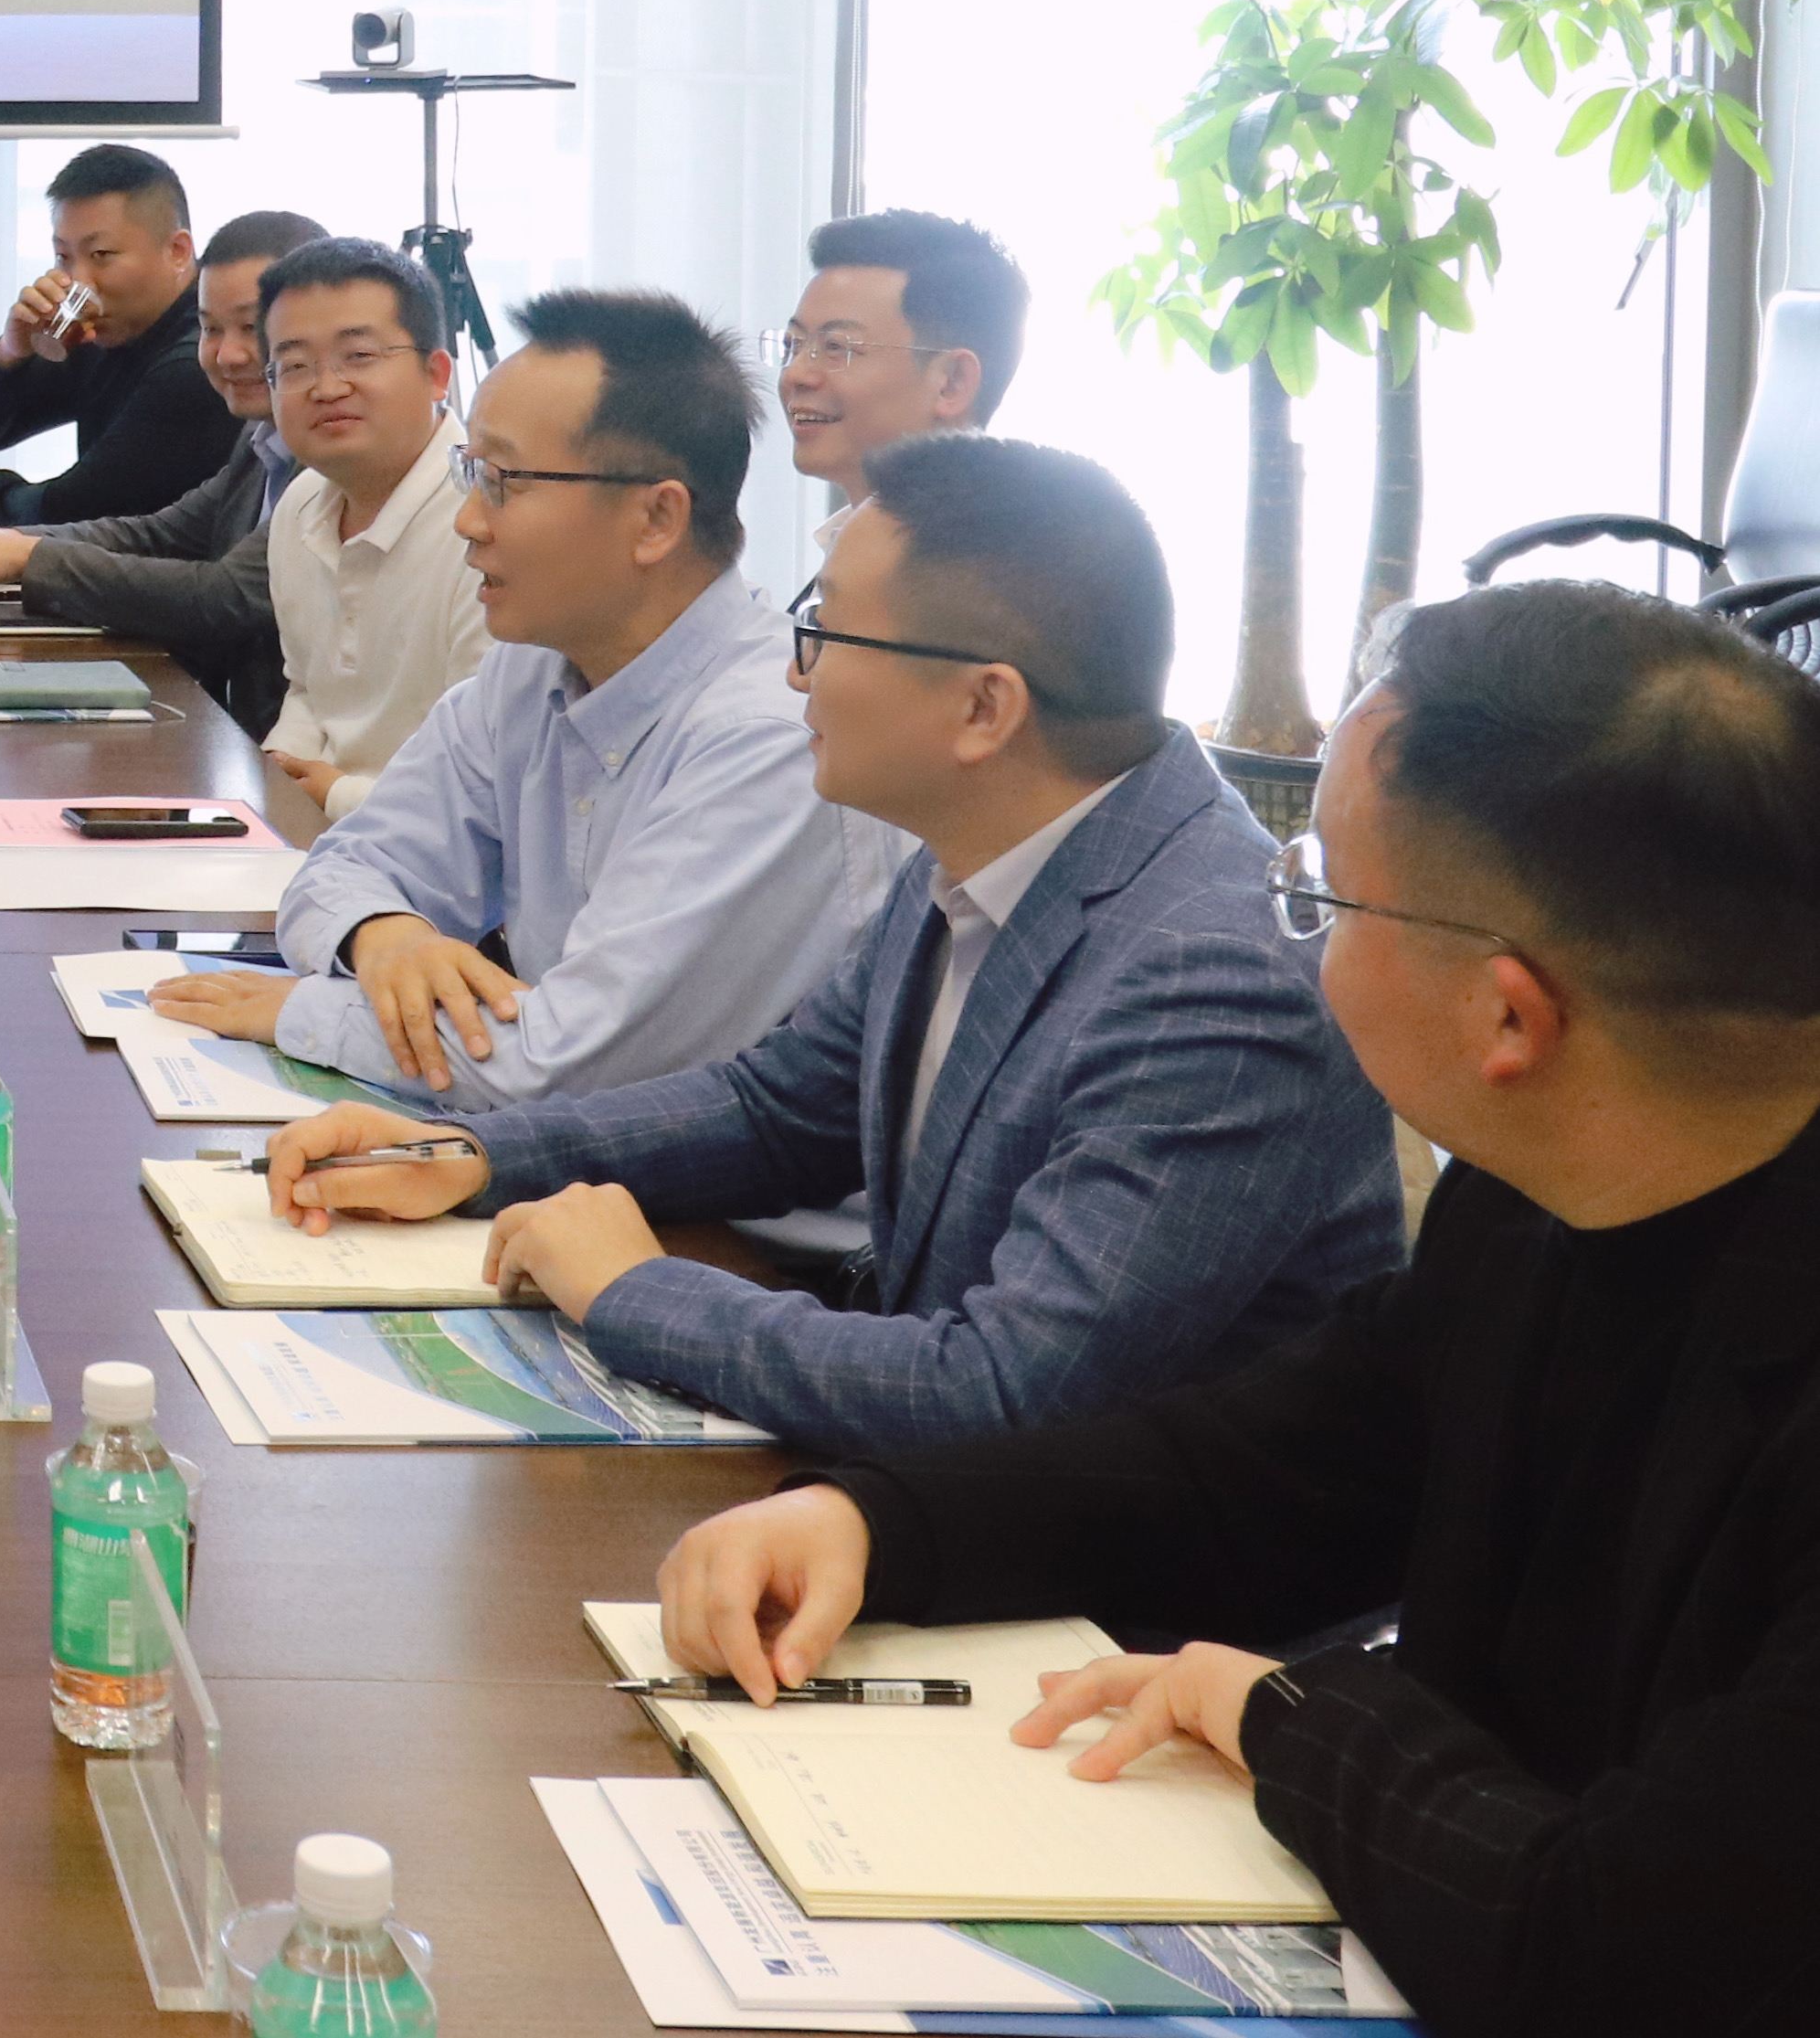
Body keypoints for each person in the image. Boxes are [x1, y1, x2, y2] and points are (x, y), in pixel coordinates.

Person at [649, 580, 1820, 2036]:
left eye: (1318, 895)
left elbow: (1608, 1953)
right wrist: (878, 1524)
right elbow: (1265, 1470)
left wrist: (1285, 1716)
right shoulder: (1538, 1197)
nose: (1290, 936)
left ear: (1507, 1018)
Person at [259, 435, 1398, 1451]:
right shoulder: (979, 843)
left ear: (982, 708)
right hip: (947, 1503)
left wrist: (633, 1288)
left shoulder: (1210, 971)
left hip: (1132, 1588)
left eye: (825, 632)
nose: (792, 671)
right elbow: (779, 1110)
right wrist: (470, 1155)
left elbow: (1002, 1388)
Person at [147, 288, 885, 1105]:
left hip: (697, 1182)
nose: (468, 520)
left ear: (656, 518)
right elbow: (347, 864)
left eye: (503, 481)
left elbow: (571, 1064)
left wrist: (299, 1011)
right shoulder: (531, 668)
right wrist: (385, 937)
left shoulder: (767, 739)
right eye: (471, 471)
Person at [0, 208, 323, 729]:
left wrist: (24, 552)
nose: (228, 354)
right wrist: (8, 544)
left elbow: (225, 596)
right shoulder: (261, 435)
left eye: (251, 328)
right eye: (211, 328)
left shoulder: (325, 455)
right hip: (243, 731)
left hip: (287, 743)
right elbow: (162, 533)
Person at [250, 236, 487, 818]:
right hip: (316, 832)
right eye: (295, 366)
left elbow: (493, 769)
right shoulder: (301, 503)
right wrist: (274, 771)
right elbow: (310, 692)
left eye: (358, 356)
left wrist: (335, 793)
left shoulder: (488, 519)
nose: (327, 388)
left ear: (436, 373)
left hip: (442, 850)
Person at [0, 144, 242, 527]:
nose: (78, 281)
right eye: (63, 257)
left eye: (101, 254)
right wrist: (10, 353)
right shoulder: (103, 332)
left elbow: (76, 508)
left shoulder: (198, 359)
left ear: (178, 251)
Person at [777, 208, 1023, 557]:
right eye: (793, 345)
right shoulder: (851, 556)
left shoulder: (994, 574)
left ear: (952, 382)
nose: (795, 375)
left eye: (836, 348)